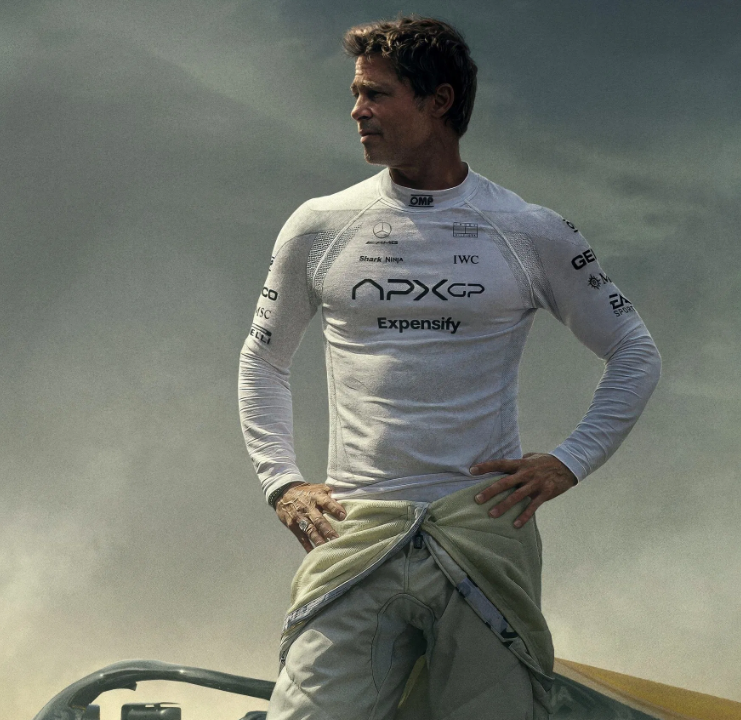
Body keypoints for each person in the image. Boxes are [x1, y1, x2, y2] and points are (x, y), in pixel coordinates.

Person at [238, 15, 661, 720]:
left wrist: (569, 461)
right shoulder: (320, 223)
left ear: (439, 101)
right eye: (356, 93)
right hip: (354, 528)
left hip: (483, 531)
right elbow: (263, 358)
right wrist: (281, 482)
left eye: (376, 94)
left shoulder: (530, 229)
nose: (357, 110)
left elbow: (634, 352)